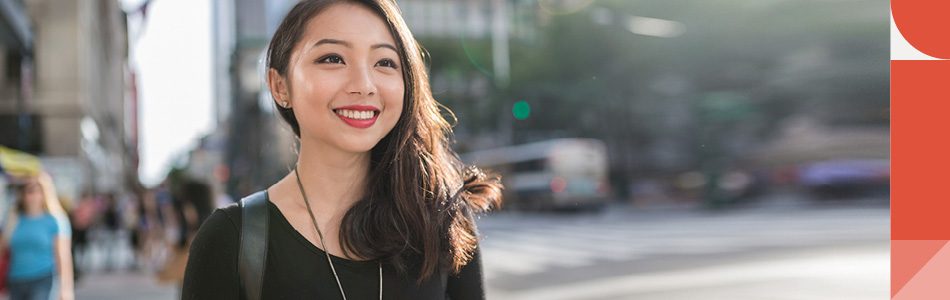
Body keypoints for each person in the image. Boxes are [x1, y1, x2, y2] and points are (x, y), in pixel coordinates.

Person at [181, 0, 502, 299]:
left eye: (385, 62)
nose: (364, 84)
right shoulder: (230, 241)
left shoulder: (441, 219)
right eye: (332, 59)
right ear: (280, 86)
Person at [1, 172, 74, 300]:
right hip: (16, 279)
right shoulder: (14, 219)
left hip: (42, 278)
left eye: (36, 190)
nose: (32, 195)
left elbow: (63, 257)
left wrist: (66, 289)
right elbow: (2, 247)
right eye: (27, 190)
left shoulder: (55, 220)